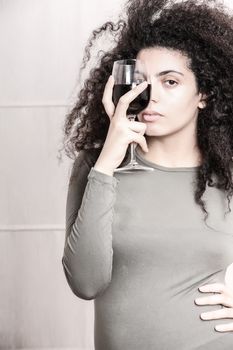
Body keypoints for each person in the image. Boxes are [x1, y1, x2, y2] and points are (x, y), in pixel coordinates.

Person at [61, 0, 233, 348]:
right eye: (139, 82)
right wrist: (109, 157)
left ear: (204, 93)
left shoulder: (226, 173)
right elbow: (85, 283)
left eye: (170, 81)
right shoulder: (96, 167)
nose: (149, 96)